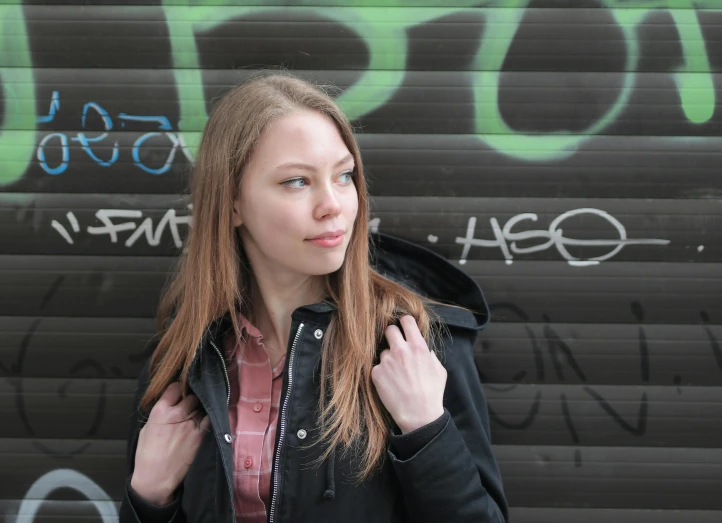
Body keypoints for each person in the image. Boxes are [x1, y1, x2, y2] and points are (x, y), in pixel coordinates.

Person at [119, 71, 508, 523]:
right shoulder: (187, 360)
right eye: (297, 182)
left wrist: (426, 430)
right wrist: (148, 496)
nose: (333, 205)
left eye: (344, 176)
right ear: (231, 204)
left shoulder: (414, 343)